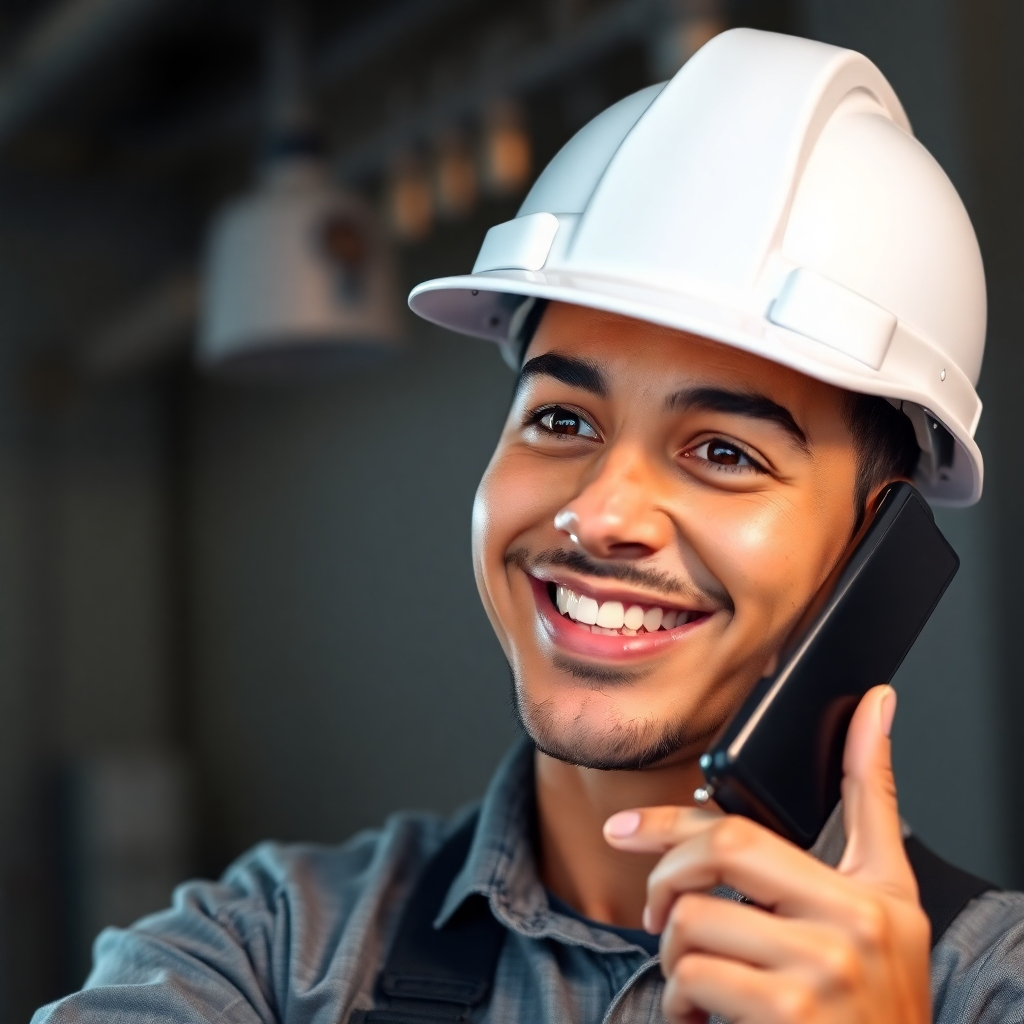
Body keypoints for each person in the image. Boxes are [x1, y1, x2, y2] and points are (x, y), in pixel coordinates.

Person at [34, 28, 1024, 1024]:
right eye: (561, 420)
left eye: (724, 451)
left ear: (874, 553)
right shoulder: (266, 950)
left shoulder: (991, 988)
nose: (598, 514)